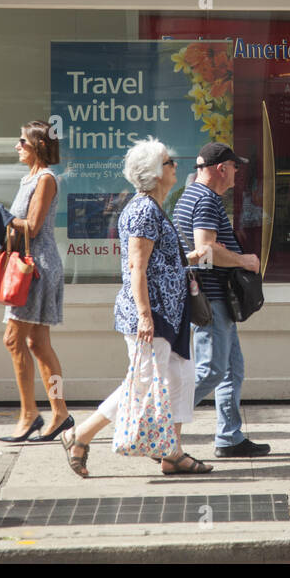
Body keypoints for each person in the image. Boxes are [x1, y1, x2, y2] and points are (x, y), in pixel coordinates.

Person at [59, 138, 212, 476]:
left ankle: (172, 453)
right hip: (151, 314)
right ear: (157, 173)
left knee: (179, 376)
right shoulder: (143, 210)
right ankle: (79, 435)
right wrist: (145, 315)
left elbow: (154, 260)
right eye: (169, 162)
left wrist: (185, 260)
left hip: (167, 314)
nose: (175, 165)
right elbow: (136, 268)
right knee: (141, 382)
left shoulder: (154, 207)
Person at [173, 142, 271, 458]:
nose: (237, 174)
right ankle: (161, 423)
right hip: (213, 299)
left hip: (216, 300)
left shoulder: (190, 196)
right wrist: (245, 261)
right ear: (221, 169)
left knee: (232, 369)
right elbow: (207, 251)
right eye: (234, 167)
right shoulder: (205, 200)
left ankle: (229, 437)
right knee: (212, 371)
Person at [0, 121, 71, 444]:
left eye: (23, 142)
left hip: (36, 269)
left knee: (14, 340)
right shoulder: (29, 178)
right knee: (37, 344)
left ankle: (30, 414)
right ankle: (60, 413)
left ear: (38, 146)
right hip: (33, 266)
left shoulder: (45, 179)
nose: (17, 146)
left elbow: (33, 225)